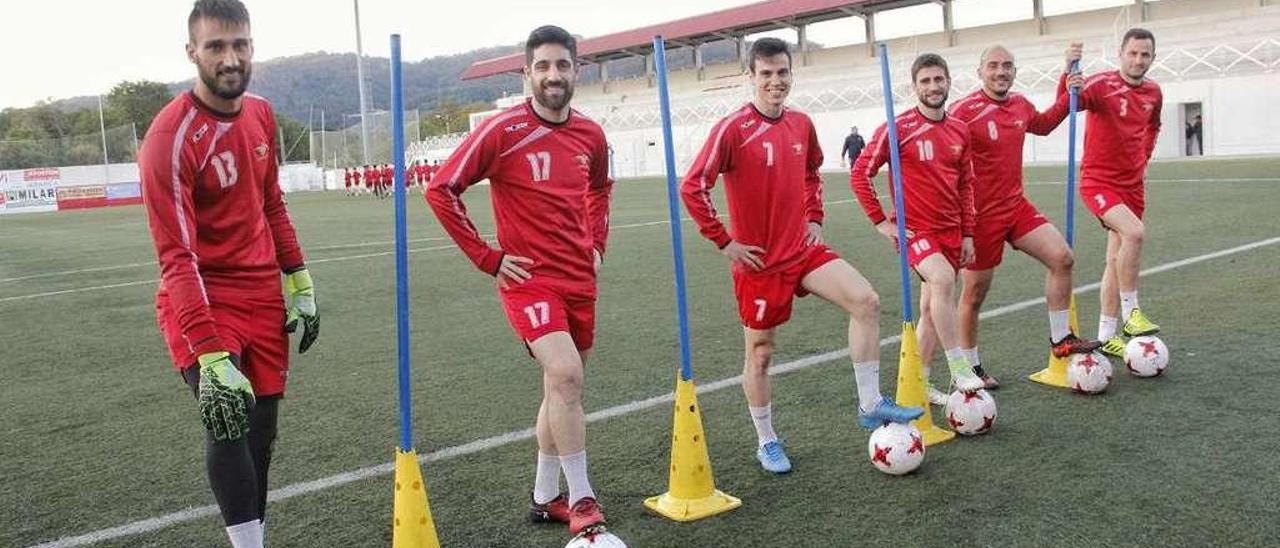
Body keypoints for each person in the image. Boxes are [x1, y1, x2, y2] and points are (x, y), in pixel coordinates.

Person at [682, 38, 922, 475]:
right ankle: (767, 440)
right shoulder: (732, 128)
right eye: (766, 73)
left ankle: (870, 402)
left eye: (782, 73)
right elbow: (693, 185)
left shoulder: (801, 124)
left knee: (865, 301)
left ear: (791, 74)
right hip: (759, 262)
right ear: (750, 77)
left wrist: (814, 217)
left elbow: (812, 173)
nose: (776, 81)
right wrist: (725, 241)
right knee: (760, 353)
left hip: (802, 249)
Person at [425, 25, 617, 541]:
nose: (553, 75)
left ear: (577, 70)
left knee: (560, 386)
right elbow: (441, 189)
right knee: (567, 375)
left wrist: (598, 242)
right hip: (529, 281)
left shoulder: (591, 135)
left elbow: (601, 188)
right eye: (543, 66)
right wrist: (487, 258)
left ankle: (544, 495)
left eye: (562, 65)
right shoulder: (502, 130)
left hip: (579, 277)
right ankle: (582, 502)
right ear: (527, 73)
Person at [139, 2, 319, 547]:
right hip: (202, 297)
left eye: (240, 44)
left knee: (262, 435)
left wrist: (299, 279)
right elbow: (176, 258)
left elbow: (272, 203)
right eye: (216, 46)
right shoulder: (169, 138)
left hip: (262, 295)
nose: (230, 57)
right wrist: (210, 351)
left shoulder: (261, 114)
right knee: (227, 417)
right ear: (192, 52)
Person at [915, 44, 1099, 398]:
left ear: (1014, 71)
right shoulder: (963, 111)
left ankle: (1061, 339)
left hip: (1016, 207)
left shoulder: (1019, 104)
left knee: (1062, 257)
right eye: (994, 66)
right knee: (974, 294)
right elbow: (940, 149)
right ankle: (970, 367)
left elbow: (1044, 124)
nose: (1001, 72)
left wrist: (1066, 81)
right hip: (978, 218)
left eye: (1007, 66)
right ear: (980, 72)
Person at [851, 53, 986, 395]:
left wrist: (968, 232)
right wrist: (881, 222)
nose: (933, 86)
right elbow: (860, 174)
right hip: (916, 231)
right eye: (925, 81)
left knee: (929, 310)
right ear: (915, 87)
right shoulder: (897, 128)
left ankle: (922, 384)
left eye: (938, 79)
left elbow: (967, 185)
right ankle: (959, 365)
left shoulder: (959, 130)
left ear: (948, 81)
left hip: (951, 230)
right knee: (941, 280)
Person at [1076, 28, 1164, 356]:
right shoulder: (1101, 84)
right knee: (1135, 233)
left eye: (1145, 55)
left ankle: (1105, 335)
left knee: (1114, 259)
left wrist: (1145, 158)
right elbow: (1070, 103)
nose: (1138, 59)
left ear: (1152, 58)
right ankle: (1131, 313)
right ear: (1121, 53)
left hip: (1132, 185)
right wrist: (1067, 75)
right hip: (1099, 182)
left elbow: (1153, 126)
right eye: (1133, 53)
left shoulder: (1154, 92)